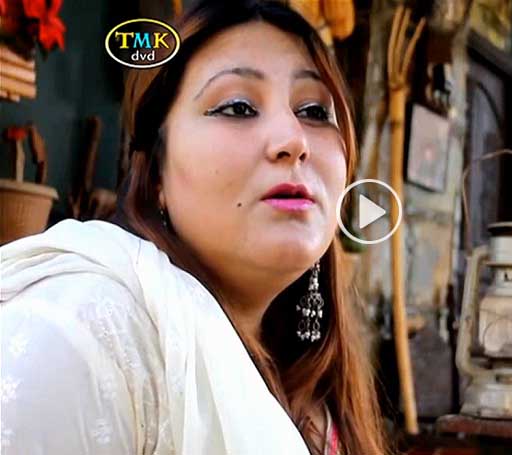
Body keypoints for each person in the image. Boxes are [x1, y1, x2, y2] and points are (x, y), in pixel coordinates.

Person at [0, 1, 391, 454]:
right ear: (157, 173)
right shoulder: (83, 333)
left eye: (315, 111)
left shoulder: (316, 397)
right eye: (238, 107)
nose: (294, 140)